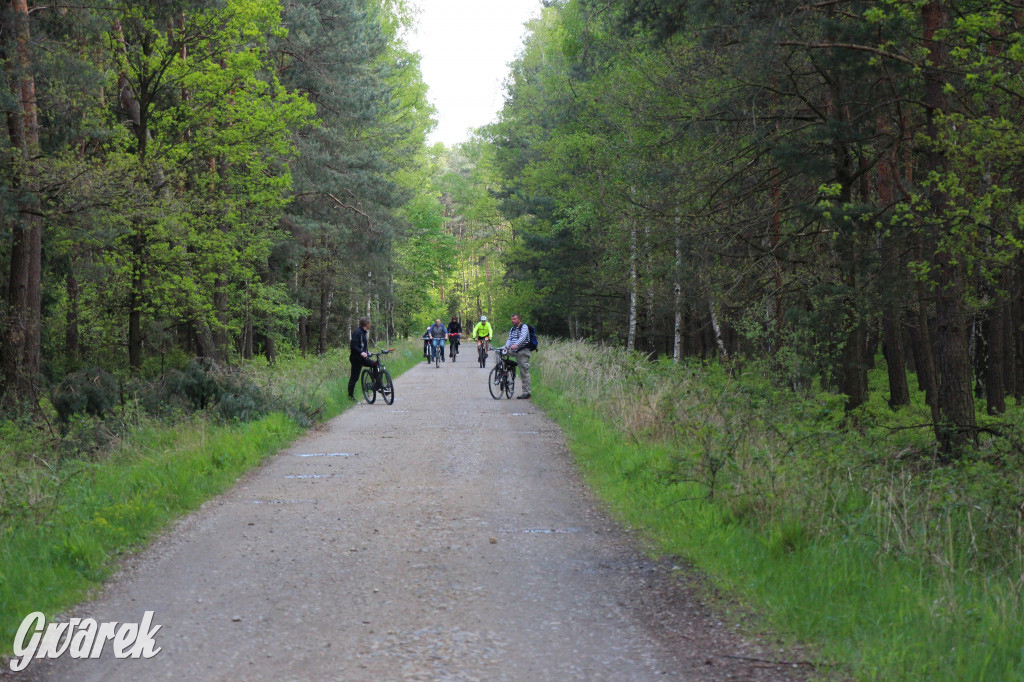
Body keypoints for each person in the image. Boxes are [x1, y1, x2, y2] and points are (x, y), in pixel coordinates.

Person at [502, 313, 532, 399]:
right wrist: (506, 346)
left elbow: (523, 337)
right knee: (499, 352)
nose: (512, 321)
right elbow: (509, 339)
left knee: (524, 371)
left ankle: (526, 393)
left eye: (514, 319)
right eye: (512, 319)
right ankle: (504, 370)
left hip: (522, 351)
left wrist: (516, 344)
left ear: (519, 319)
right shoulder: (512, 329)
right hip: (513, 350)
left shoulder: (524, 327)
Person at [348, 317, 378, 400]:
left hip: (363, 358)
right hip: (356, 359)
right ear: (367, 324)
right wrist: (361, 352)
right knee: (354, 377)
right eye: (369, 323)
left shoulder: (364, 332)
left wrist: (367, 352)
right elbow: (353, 346)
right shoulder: (357, 332)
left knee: (375, 364)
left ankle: (377, 385)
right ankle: (350, 397)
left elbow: (362, 345)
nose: (370, 325)